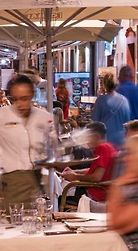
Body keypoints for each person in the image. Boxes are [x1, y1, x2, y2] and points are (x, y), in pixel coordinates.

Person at [0, 74, 54, 206]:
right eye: (15, 99)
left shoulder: (45, 118)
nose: (19, 104)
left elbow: (55, 149)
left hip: (40, 181)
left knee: (40, 222)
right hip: (12, 183)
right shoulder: (2, 116)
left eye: (24, 99)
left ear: (32, 95)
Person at [62, 122, 117, 202]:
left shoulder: (103, 148)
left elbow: (96, 177)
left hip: (95, 194)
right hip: (98, 190)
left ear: (96, 136)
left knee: (60, 198)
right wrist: (74, 172)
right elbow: (94, 170)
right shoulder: (109, 147)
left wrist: (75, 177)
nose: (86, 140)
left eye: (88, 137)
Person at [92, 73, 130, 148]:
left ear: (104, 85)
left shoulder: (100, 100)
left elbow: (95, 123)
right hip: (121, 141)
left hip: (106, 141)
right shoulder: (124, 100)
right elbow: (127, 122)